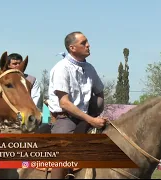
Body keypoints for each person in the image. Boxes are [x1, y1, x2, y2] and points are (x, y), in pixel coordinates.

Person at [48, 31, 107, 179]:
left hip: (86, 116)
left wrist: (96, 110)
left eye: (87, 42)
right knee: (62, 153)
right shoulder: (62, 68)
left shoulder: (90, 68)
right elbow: (64, 103)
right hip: (65, 118)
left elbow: (99, 91)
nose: (88, 45)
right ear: (72, 48)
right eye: (83, 43)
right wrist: (90, 119)